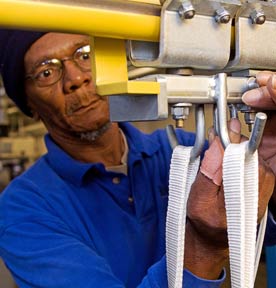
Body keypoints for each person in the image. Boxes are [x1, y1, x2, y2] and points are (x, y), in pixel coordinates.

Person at [0, 30, 275, 288]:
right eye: (46, 72)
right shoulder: (23, 210)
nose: (75, 79)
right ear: (29, 105)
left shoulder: (183, 152)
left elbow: (264, 236)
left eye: (85, 55)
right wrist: (203, 246)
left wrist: (267, 182)